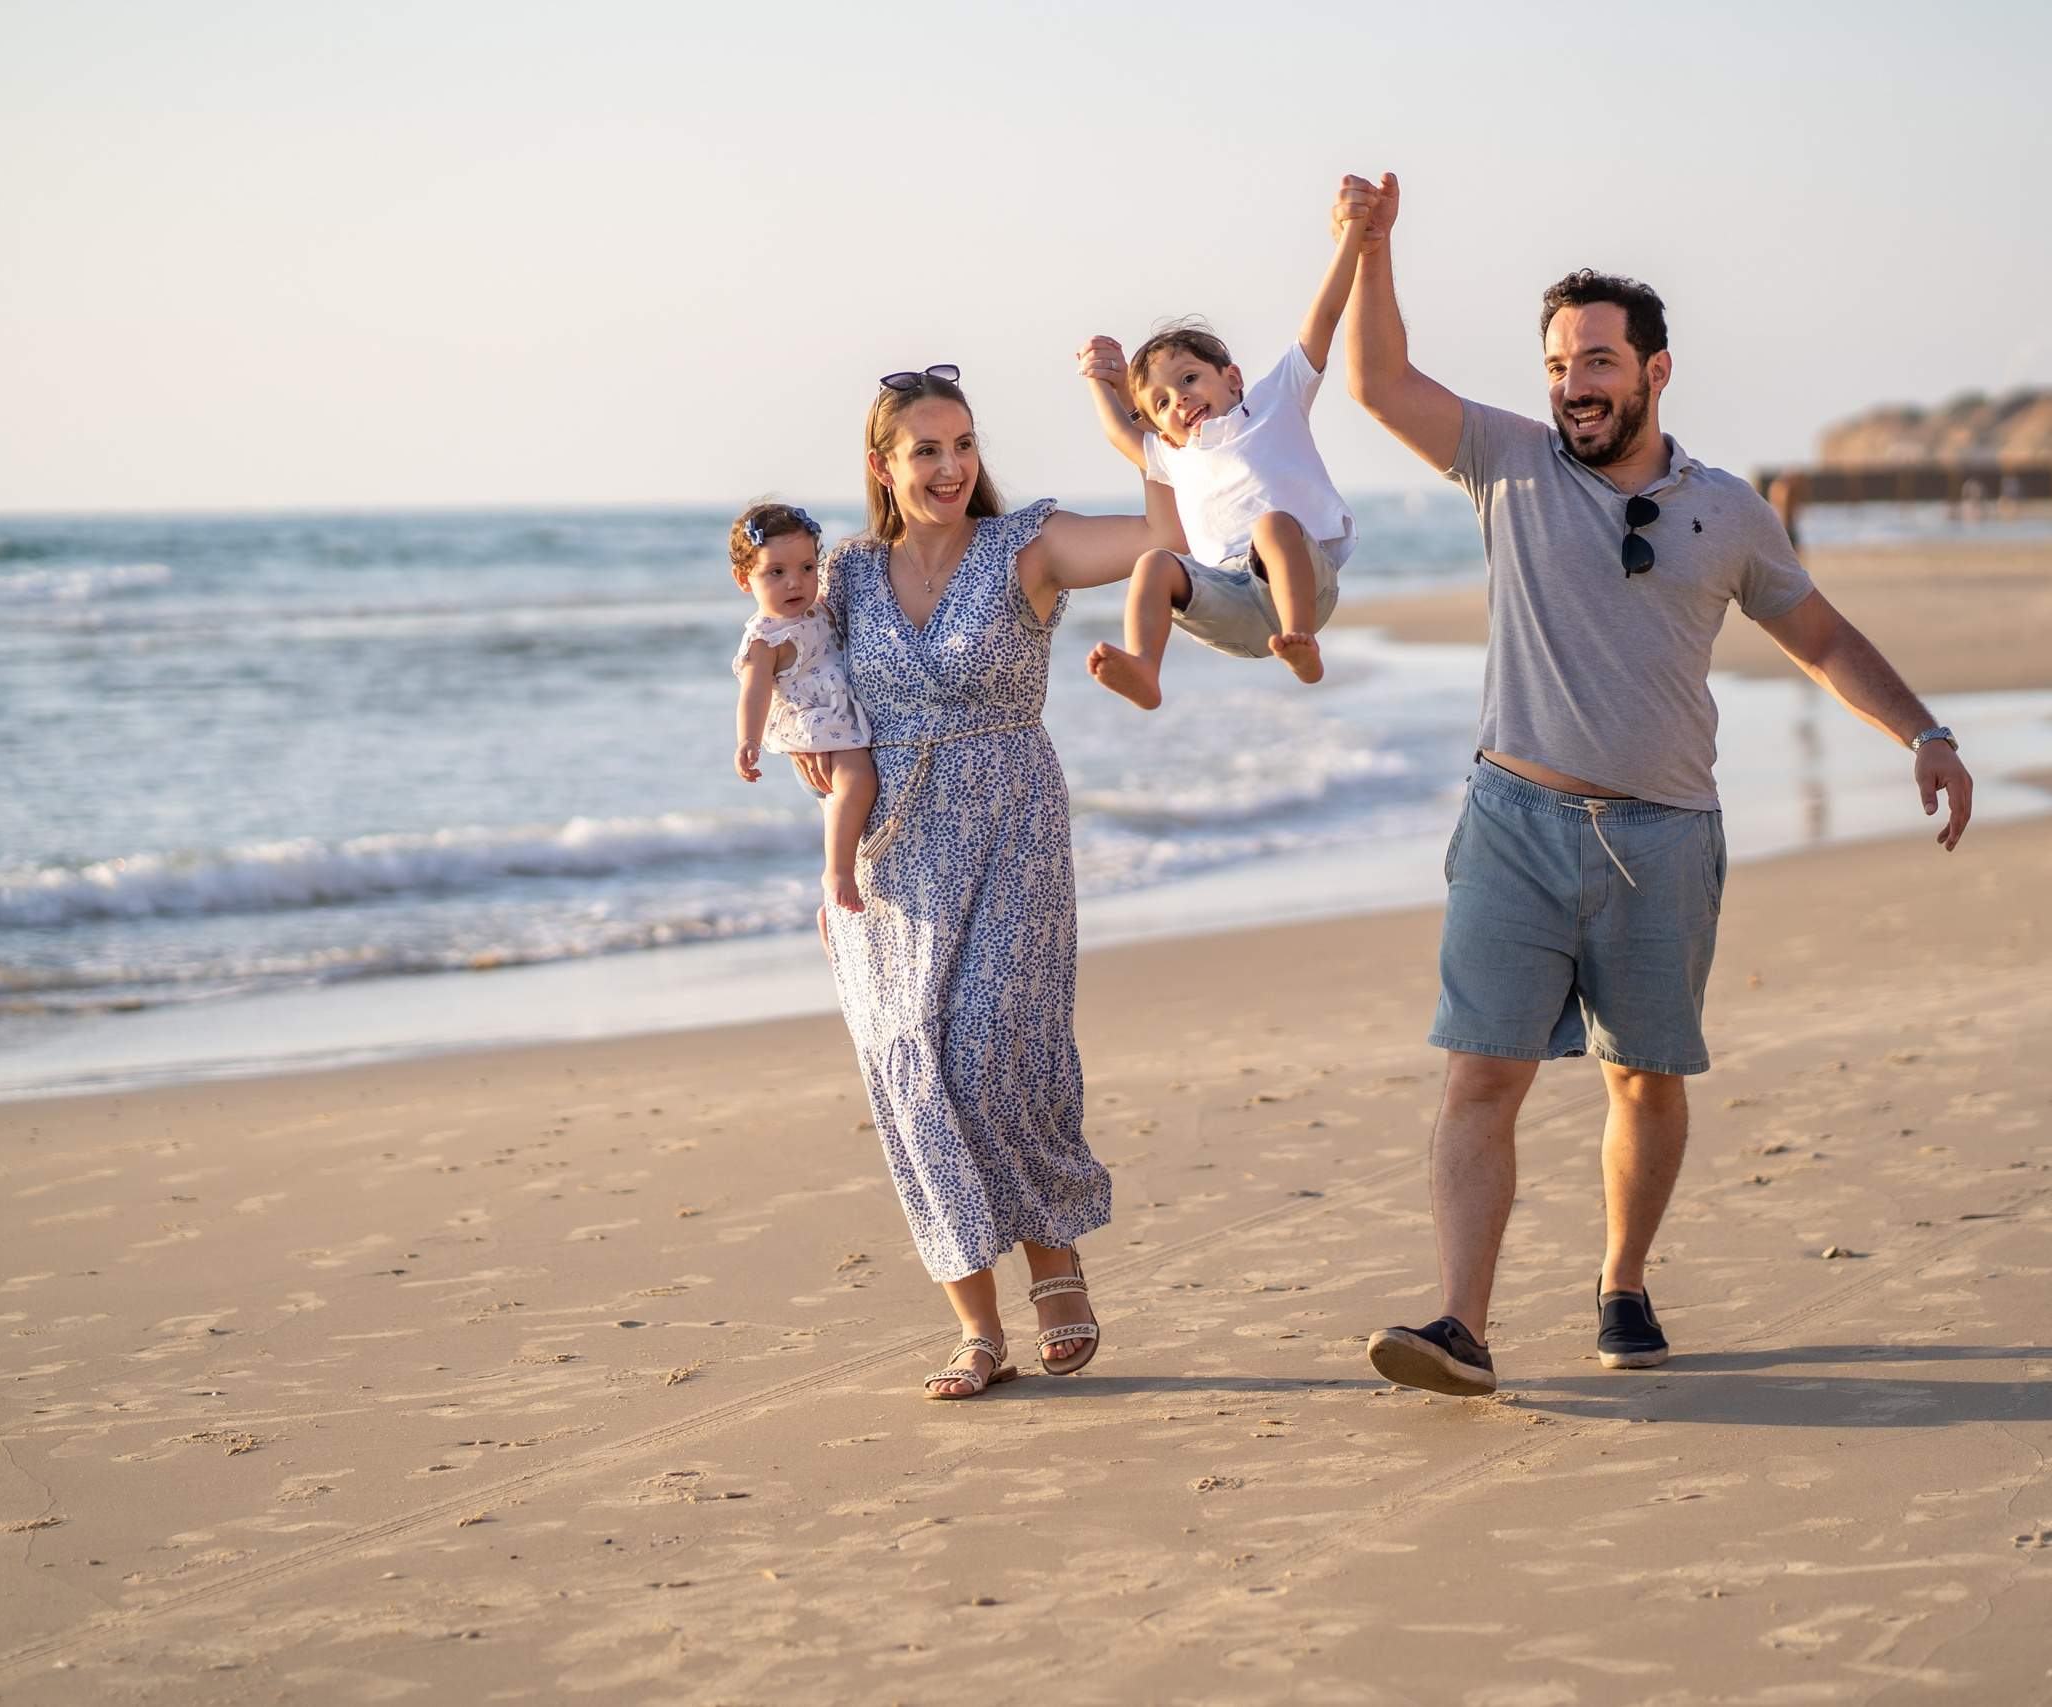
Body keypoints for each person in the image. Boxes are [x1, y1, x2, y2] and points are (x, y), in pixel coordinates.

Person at [1336, 172, 1975, 1395]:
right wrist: (1371, 248)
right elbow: (1375, 382)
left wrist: (1922, 732)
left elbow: (1824, 637)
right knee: (1483, 1071)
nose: (1573, 383)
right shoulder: (1507, 463)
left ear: (1655, 371)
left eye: (1597, 361)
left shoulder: (1726, 510)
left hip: (1664, 836)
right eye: (1559, 362)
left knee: (1647, 1077)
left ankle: (1621, 1280)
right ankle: (1460, 1324)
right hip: (1513, 819)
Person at [804, 364, 1185, 1400]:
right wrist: (804, 737)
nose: (949, 466)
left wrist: (1128, 415)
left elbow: (1169, 531)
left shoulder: (1029, 547)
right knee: (911, 1072)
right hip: (889, 856)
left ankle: (1054, 1256)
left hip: (1011, 819)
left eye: (962, 444)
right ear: (883, 466)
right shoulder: (842, 577)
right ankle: (977, 1329)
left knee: (989, 1053)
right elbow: (792, 661)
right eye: (925, 449)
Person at [1070, 210, 1369, 707]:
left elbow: (1324, 317)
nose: (1179, 400)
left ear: (1232, 377)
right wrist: (1098, 379)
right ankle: (1145, 667)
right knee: (1154, 564)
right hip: (1233, 607)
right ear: (1158, 423)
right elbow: (1121, 433)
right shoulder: (1173, 456)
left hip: (1302, 585)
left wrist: (1354, 236)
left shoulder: (1277, 400)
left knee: (1271, 525)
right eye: (1161, 402)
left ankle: (1303, 646)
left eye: (1188, 378)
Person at [728, 503, 875, 914]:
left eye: (807, 568)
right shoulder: (765, 640)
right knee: (859, 783)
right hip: (821, 732)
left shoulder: (816, 607)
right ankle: (837, 873)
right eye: (776, 572)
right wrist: (747, 741)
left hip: (840, 722)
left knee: (854, 817)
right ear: (744, 579)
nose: (795, 582)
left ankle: (832, 917)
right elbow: (753, 694)